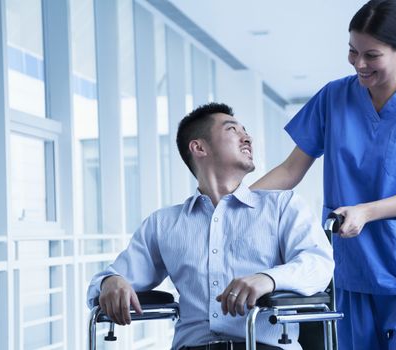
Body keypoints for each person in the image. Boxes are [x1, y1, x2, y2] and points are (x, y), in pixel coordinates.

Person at [251, 1, 396, 349]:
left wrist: (366, 211)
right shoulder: (334, 96)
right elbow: (292, 169)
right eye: (353, 52)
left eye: (372, 55)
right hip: (351, 268)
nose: (360, 64)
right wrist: (233, 202)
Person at [87, 102, 334, 350]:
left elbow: (319, 264)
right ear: (199, 147)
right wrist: (111, 281)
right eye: (232, 130)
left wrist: (267, 279)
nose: (247, 137)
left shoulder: (282, 205)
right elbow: (107, 280)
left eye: (245, 131)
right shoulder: (163, 224)